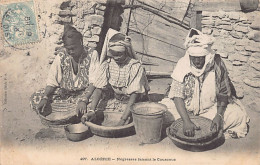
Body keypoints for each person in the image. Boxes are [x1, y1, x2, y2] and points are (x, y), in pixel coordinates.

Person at [160, 28, 250, 139]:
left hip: (210, 110)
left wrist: (219, 116)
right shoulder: (182, 64)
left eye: (200, 58)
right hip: (184, 111)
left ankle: (204, 126)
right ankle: (195, 125)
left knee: (237, 114)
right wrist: (186, 121)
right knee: (162, 113)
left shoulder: (217, 64)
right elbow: (177, 96)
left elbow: (223, 94)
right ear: (189, 56)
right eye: (194, 58)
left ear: (207, 57)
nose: (197, 62)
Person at [81, 28, 150, 126]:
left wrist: (123, 119)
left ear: (126, 51)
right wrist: (92, 110)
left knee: (137, 120)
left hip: (132, 102)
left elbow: (134, 95)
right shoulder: (107, 64)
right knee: (90, 111)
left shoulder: (134, 66)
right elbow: (99, 88)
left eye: (119, 54)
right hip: (116, 99)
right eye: (113, 54)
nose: (116, 57)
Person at [30, 24, 99, 120]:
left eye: (73, 48)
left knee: (97, 99)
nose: (71, 52)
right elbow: (52, 81)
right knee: (36, 97)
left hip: (85, 94)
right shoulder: (61, 55)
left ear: (81, 42)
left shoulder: (92, 54)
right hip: (65, 94)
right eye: (68, 49)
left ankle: (72, 113)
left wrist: (84, 99)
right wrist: (45, 97)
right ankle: (73, 114)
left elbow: (94, 81)